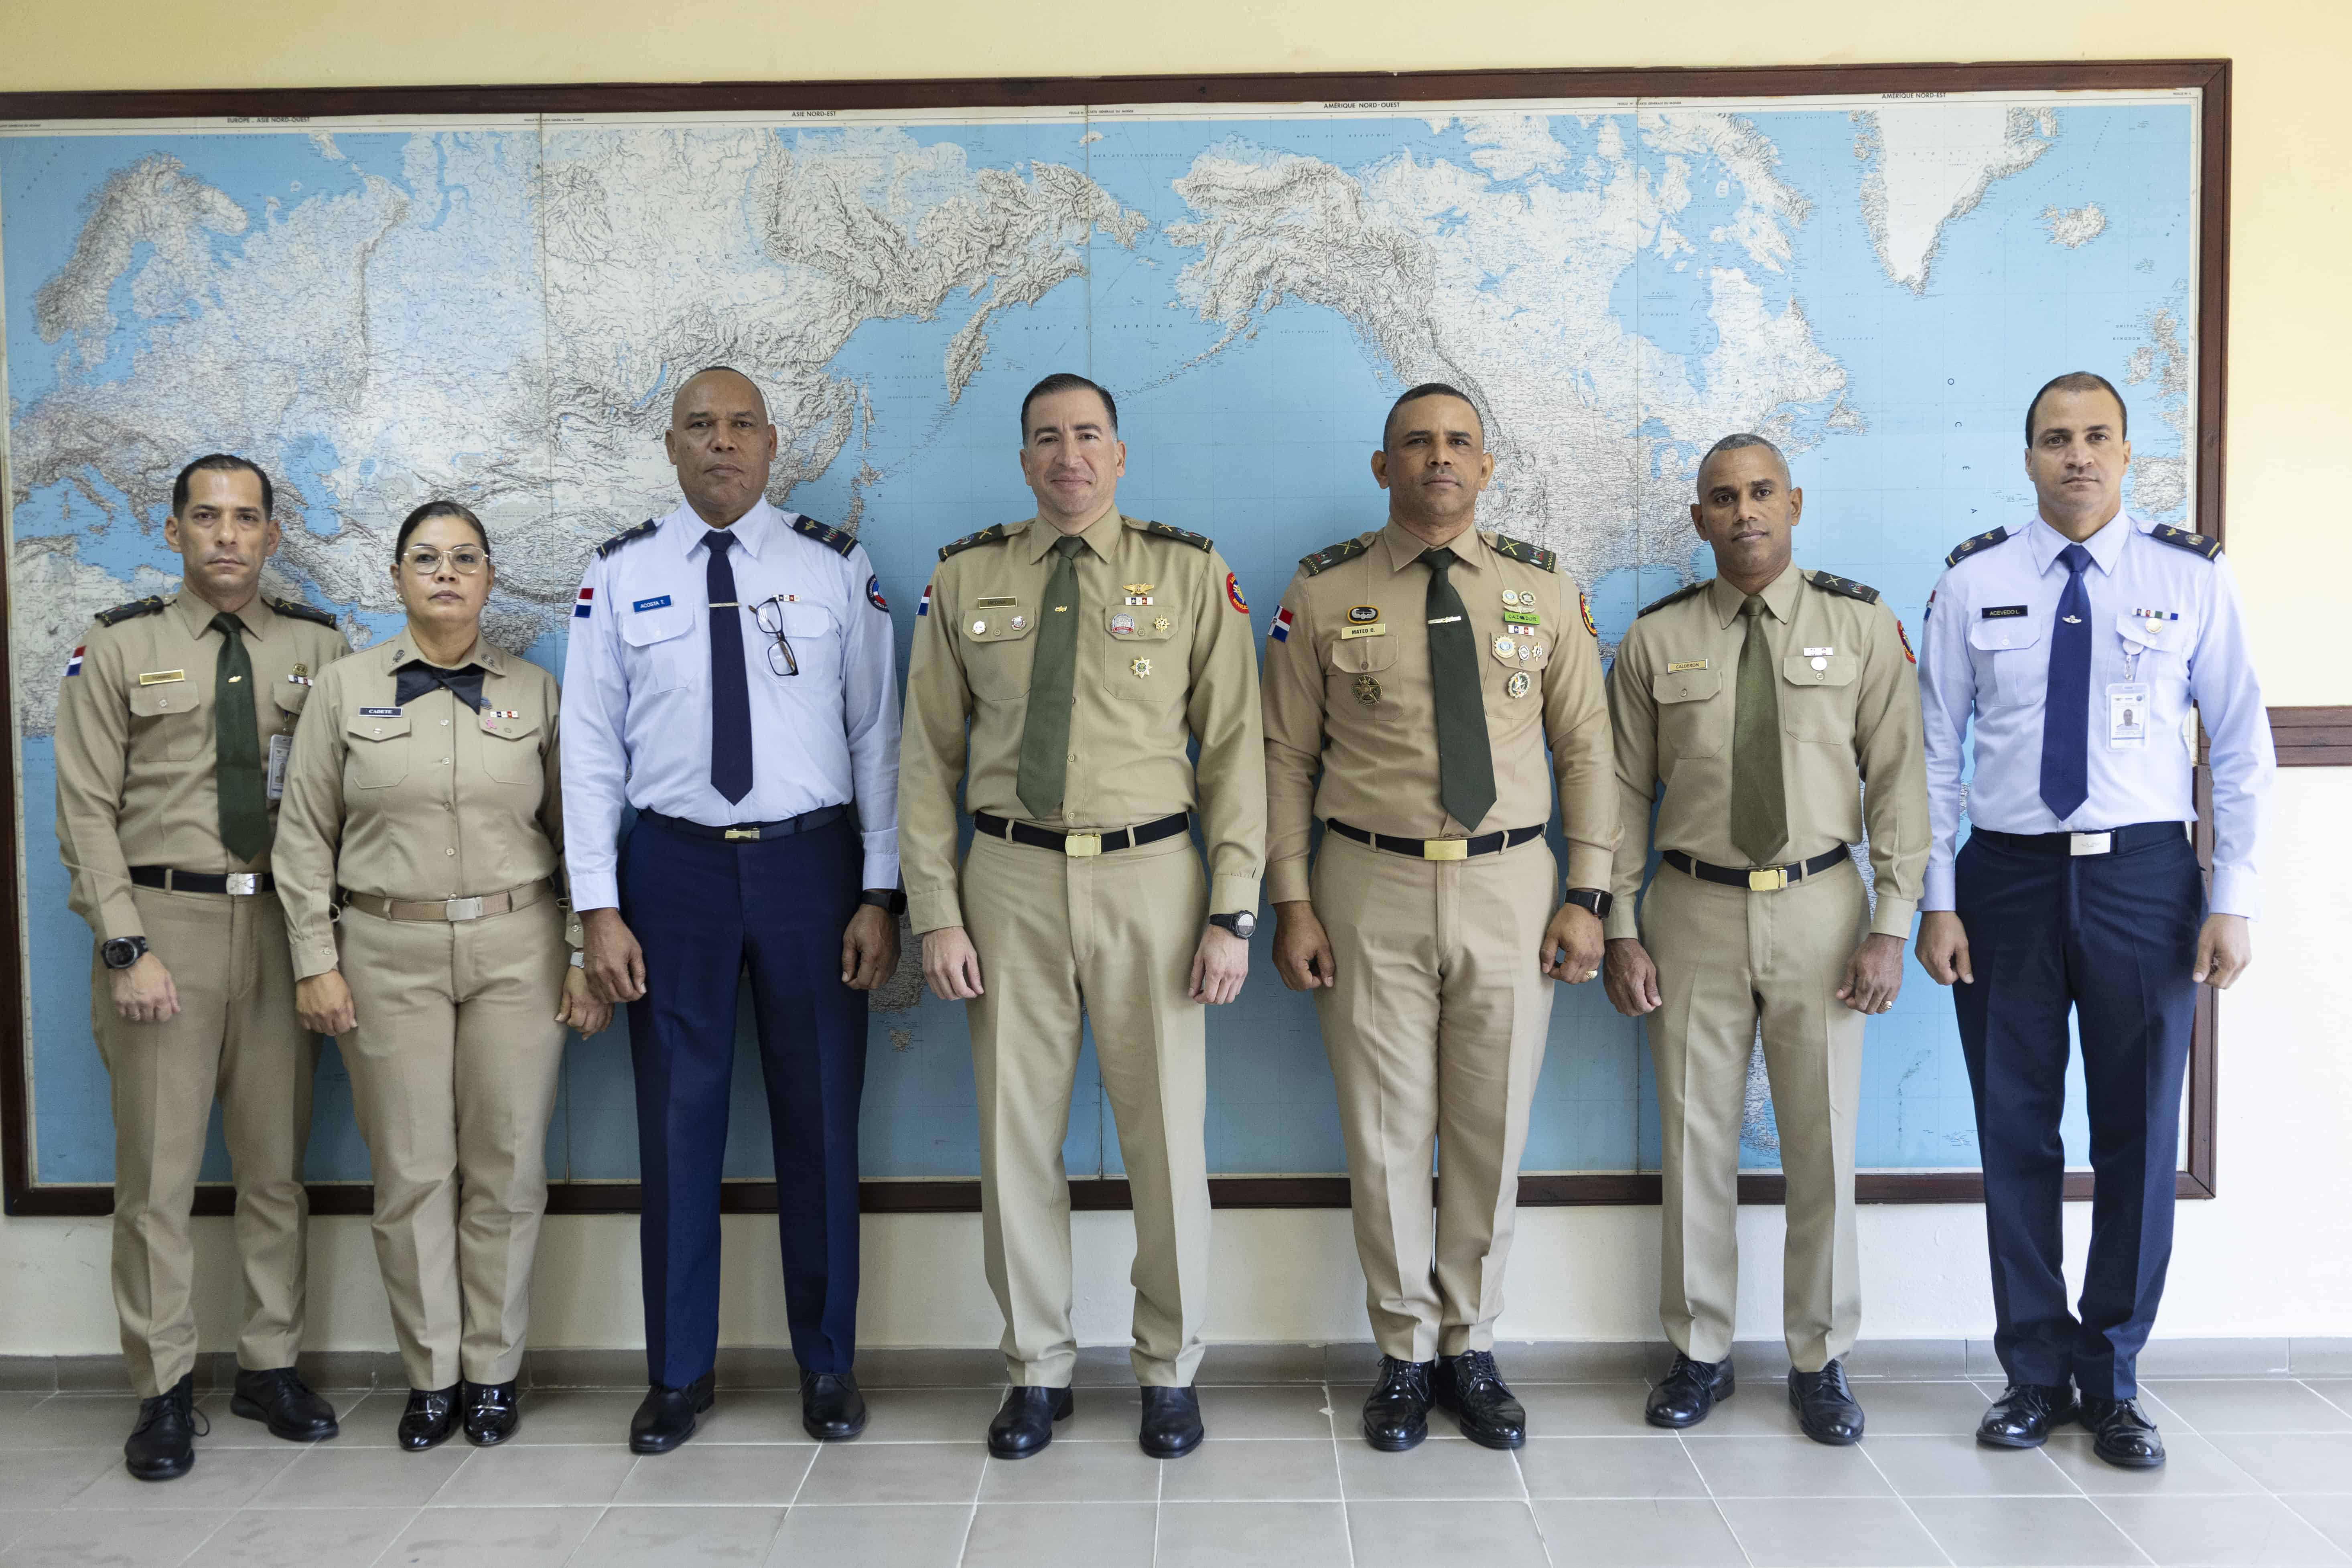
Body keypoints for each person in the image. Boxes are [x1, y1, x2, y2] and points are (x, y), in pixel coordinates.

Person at [899, 372, 1265, 1461]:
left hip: (1154, 878)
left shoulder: (1191, 572)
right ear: (1023, 460)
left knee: (1167, 1144)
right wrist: (936, 909)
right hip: (1005, 881)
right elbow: (925, 754)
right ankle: (1037, 1368)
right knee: (1016, 1145)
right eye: (1048, 437)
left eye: (1088, 435)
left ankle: (1169, 1368)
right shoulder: (967, 575)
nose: (1069, 453)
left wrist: (1232, 909)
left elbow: (1240, 748)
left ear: (1120, 453)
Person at [1916, 372, 2275, 1469]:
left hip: (2147, 879)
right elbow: (1935, 754)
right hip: (2007, 882)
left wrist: (2233, 897)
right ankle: (2032, 1370)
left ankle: (2114, 1378)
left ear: (2128, 453)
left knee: (2138, 1133)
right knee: (2015, 1132)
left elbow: (2244, 743)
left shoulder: (2190, 577)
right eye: (2056, 438)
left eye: (2098, 436)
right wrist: (1938, 898)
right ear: (2027, 456)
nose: (2078, 454)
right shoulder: (1974, 579)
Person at [1261, 383, 1615, 1452]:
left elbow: (1590, 747)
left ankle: (1471, 1340)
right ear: (1384, 467)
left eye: (1460, 441)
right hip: (1368, 882)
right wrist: (1291, 895)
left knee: (1490, 1128)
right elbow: (1284, 752)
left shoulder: (1543, 590)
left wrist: (1589, 891)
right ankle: (1405, 1350)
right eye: (1417, 442)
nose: (1440, 458)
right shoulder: (1325, 590)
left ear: (1487, 465)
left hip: (1514, 884)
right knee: (1383, 1133)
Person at [562, 366, 902, 1452]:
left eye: (741, 425)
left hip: (813, 870)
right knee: (677, 1128)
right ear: (671, 446)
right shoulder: (619, 575)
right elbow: (588, 752)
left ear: (772, 443)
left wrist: (881, 888)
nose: (722, 443)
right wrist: (597, 908)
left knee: (819, 1123)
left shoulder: (833, 567)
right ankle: (677, 1375)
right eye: (700, 426)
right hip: (674, 875)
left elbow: (877, 738)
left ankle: (829, 1363)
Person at [1602, 434, 1928, 1445]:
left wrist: (1890, 923)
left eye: (1759, 493)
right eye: (1721, 498)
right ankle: (1699, 1350)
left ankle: (1819, 1356)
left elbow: (1900, 781)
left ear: (1793, 503)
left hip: (1823, 908)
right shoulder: (1657, 638)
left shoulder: (1861, 623)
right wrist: (1617, 921)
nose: (1743, 512)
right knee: (1694, 1135)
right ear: (1697, 520)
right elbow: (1615, 792)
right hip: (1690, 906)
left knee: (1820, 1141)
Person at [273, 501, 609, 1450]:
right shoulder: (343, 690)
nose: (447, 574)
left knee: (507, 1167)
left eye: (465, 559)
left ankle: (494, 1373)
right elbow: (303, 839)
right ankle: (431, 1376)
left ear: (490, 578)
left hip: (518, 946)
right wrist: (315, 962)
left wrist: (585, 955)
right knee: (413, 1171)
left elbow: (578, 837)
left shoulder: (538, 692)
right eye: (426, 558)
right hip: (385, 951)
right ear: (397, 578)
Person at [53, 454, 349, 1480]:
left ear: (272, 533)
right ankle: (165, 1386)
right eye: (207, 517)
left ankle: (270, 1364)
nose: (228, 535)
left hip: (279, 928)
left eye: (247, 518)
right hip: (162, 924)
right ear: (173, 530)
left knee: (275, 1170)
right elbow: (85, 807)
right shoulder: (119, 642)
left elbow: (338, 801)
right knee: (160, 1181)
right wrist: (124, 943)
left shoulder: (320, 645)